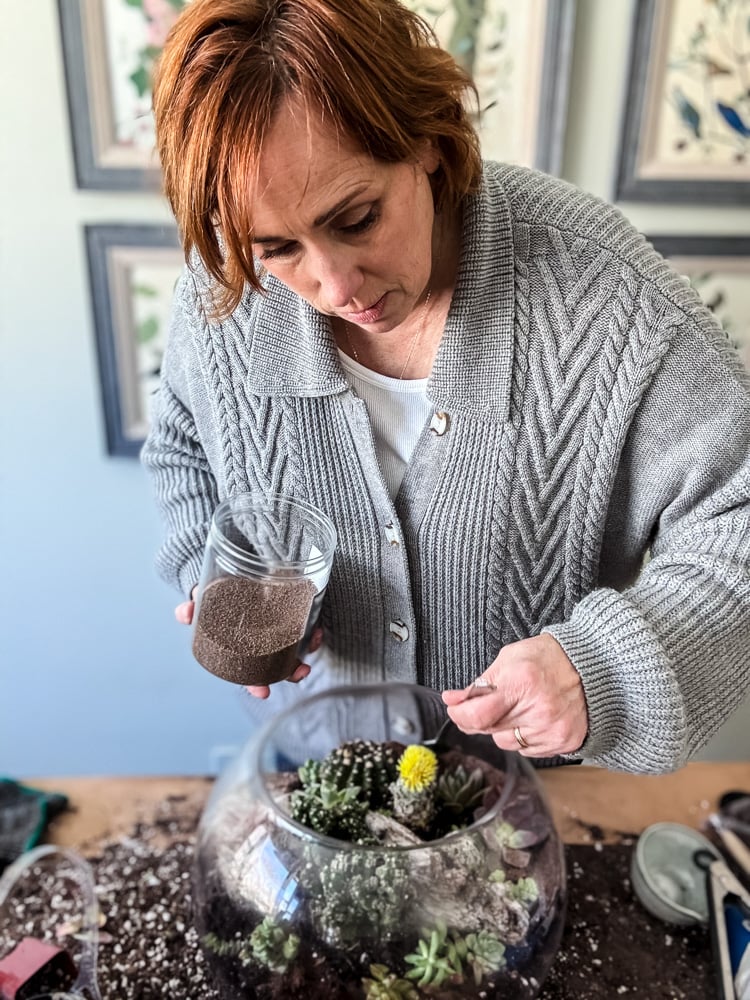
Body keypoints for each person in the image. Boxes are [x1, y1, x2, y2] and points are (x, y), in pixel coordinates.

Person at [142, 0, 750, 773]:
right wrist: (217, 572)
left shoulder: (610, 300)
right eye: (279, 248)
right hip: (318, 765)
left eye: (357, 218)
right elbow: (182, 445)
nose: (335, 285)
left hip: (531, 791)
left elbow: (739, 514)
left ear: (427, 140)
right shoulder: (222, 293)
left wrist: (604, 669)